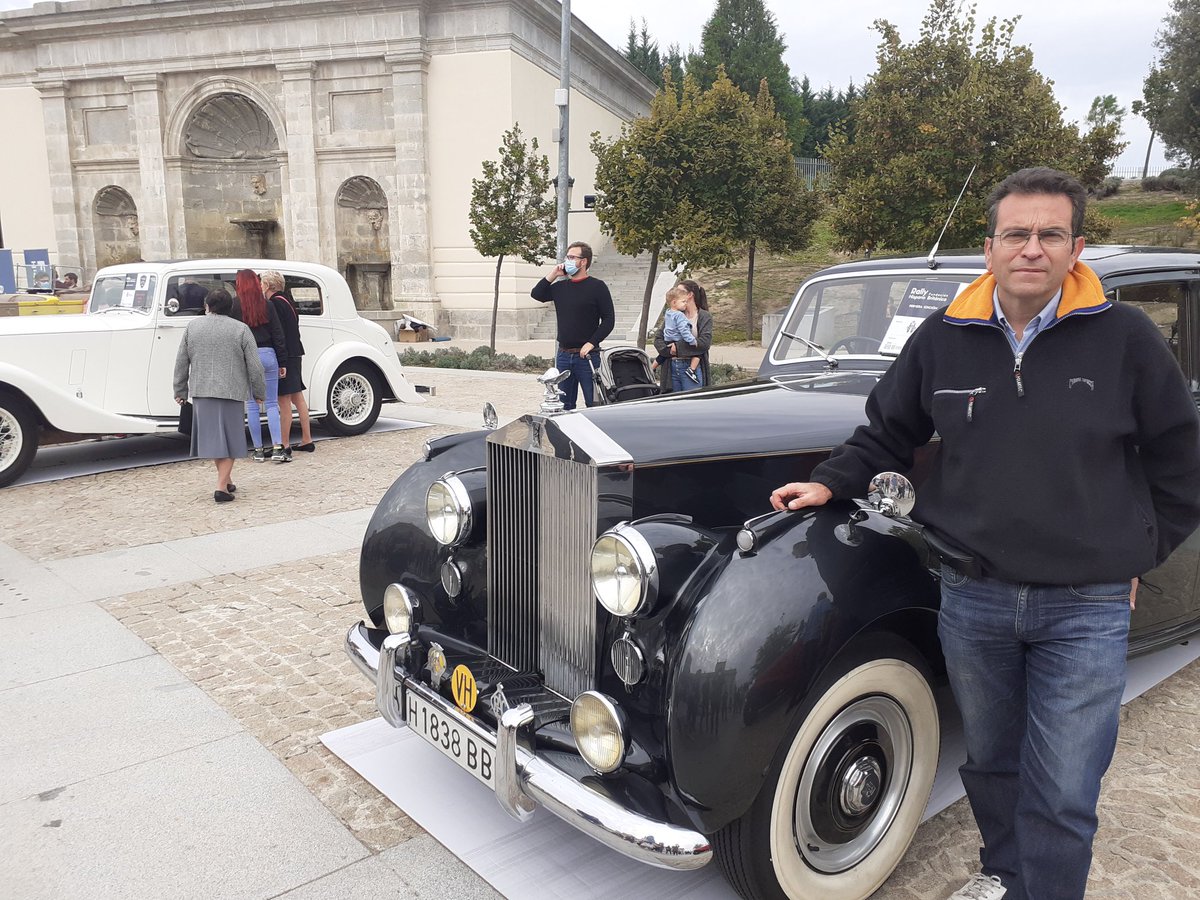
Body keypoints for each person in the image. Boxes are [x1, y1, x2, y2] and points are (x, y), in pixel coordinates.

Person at [769, 167, 1200, 900]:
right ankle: (1003, 873)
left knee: (1064, 785)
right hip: (975, 598)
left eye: (1050, 234)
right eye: (1016, 234)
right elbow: (888, 431)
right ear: (991, 246)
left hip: (1086, 606)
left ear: (1076, 247)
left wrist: (1136, 548)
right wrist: (831, 481)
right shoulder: (945, 337)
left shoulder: (1125, 338)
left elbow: (1181, 461)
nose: (1031, 248)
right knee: (991, 763)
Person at [172, 288, 266, 503]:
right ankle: (221, 487)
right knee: (231, 440)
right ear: (230, 307)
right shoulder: (240, 329)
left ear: (207, 306)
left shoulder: (192, 327)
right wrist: (259, 391)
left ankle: (227, 479)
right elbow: (255, 365)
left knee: (215, 439)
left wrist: (180, 390)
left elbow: (181, 361)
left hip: (202, 391)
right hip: (231, 391)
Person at [531, 241, 615, 410]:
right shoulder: (560, 287)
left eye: (571, 257)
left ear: (583, 261)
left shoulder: (597, 287)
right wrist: (554, 274)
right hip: (563, 355)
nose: (567, 261)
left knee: (594, 404)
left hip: (587, 357)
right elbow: (537, 294)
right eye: (567, 257)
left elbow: (609, 320)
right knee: (564, 404)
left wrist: (591, 343)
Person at [235, 268, 289, 463]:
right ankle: (277, 447)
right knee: (272, 403)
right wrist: (282, 361)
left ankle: (258, 449)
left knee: (252, 405)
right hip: (268, 354)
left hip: (247, 356)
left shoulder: (235, 306)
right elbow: (278, 333)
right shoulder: (267, 305)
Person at [260, 270, 314, 453]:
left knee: (283, 400)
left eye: (261, 283)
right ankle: (307, 438)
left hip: (286, 355)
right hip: (296, 352)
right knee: (298, 398)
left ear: (267, 285)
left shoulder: (273, 303)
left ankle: (284, 444)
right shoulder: (288, 301)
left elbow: (278, 333)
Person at [654, 279, 712, 393]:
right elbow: (658, 339)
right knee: (674, 405)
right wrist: (669, 350)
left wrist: (678, 347)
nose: (675, 292)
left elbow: (704, 343)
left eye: (680, 290)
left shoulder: (704, 316)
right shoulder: (673, 314)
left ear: (690, 295)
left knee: (692, 403)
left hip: (690, 368)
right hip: (671, 366)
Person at [651, 286, 701, 385]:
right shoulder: (679, 315)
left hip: (668, 340)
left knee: (662, 356)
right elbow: (684, 331)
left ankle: (652, 368)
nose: (685, 304)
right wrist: (692, 340)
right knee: (697, 353)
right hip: (678, 340)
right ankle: (691, 369)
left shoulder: (668, 313)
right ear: (674, 302)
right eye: (683, 302)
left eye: (686, 302)